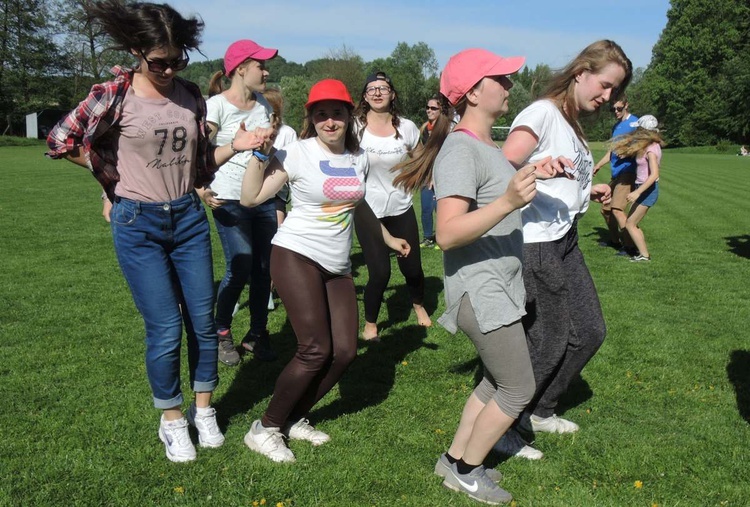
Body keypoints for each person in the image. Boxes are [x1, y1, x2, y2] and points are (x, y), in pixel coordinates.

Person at [45, 0, 263, 463]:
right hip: (136, 222)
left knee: (203, 323)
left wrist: (234, 146)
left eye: (177, 58)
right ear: (135, 51)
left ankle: (203, 410)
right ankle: (171, 420)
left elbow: (200, 165)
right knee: (165, 329)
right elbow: (60, 139)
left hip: (187, 218)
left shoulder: (189, 95)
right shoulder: (114, 93)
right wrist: (108, 175)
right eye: (158, 61)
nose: (167, 68)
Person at [393, 48, 563, 505]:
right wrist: (508, 201)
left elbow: (494, 192)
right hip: (480, 289)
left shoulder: (486, 148)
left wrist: (530, 174)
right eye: (500, 79)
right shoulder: (460, 149)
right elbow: (446, 233)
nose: (509, 86)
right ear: (472, 92)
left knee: (495, 382)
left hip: (501, 285)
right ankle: (469, 471)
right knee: (518, 388)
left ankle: (452, 460)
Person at [239, 79, 410, 463]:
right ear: (311, 118)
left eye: (336, 113)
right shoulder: (297, 153)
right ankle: (265, 427)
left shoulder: (358, 157)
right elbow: (251, 197)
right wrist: (258, 156)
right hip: (296, 253)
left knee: (346, 351)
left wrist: (386, 238)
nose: (329, 121)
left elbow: (358, 204)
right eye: (321, 114)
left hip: (338, 264)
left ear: (350, 115)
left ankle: (295, 417)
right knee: (315, 349)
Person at [499, 40, 632, 456]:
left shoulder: (571, 123)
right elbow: (501, 165)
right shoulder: (541, 112)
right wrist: (532, 168)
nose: (607, 97)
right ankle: (506, 428)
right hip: (536, 242)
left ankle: (541, 407)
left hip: (565, 238)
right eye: (605, 85)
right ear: (581, 73)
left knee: (590, 330)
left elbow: (559, 174)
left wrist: (585, 189)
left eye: (614, 91)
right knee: (548, 339)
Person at [200, 39, 279, 366]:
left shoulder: (265, 107)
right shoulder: (216, 106)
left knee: (265, 268)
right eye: (260, 65)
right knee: (241, 262)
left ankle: (256, 334)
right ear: (240, 69)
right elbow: (196, 152)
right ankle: (222, 331)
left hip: (261, 198)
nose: (266, 71)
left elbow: (268, 151)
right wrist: (198, 187)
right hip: (227, 199)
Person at [353, 71, 430, 341]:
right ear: (364, 96)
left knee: (412, 268)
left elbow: (420, 158)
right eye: (371, 89)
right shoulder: (355, 128)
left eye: (383, 88)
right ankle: (371, 323)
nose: (377, 93)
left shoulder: (407, 128)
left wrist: (422, 177)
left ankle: (418, 305)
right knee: (379, 272)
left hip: (401, 207)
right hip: (367, 211)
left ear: (392, 94)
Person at [610, 115, 663, 262]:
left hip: (648, 190)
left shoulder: (652, 149)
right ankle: (643, 254)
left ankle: (645, 255)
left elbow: (654, 175)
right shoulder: (646, 146)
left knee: (630, 223)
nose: (636, 131)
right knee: (631, 223)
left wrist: (637, 192)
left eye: (638, 129)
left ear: (644, 131)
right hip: (643, 189)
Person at [592, 96, 639, 255]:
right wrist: (598, 165)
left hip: (628, 172)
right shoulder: (616, 126)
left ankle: (630, 246)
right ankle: (615, 241)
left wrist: (628, 152)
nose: (616, 112)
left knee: (617, 209)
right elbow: (612, 152)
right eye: (613, 109)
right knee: (606, 209)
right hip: (616, 174)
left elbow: (644, 144)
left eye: (619, 108)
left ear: (627, 105)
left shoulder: (635, 123)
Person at [418, 95, 442, 249]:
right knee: (426, 207)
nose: (429, 110)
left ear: (441, 110)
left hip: (442, 174)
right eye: (428, 107)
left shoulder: (446, 129)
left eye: (433, 108)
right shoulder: (423, 129)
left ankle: (441, 238)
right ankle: (427, 238)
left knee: (441, 208)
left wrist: (436, 175)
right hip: (426, 175)